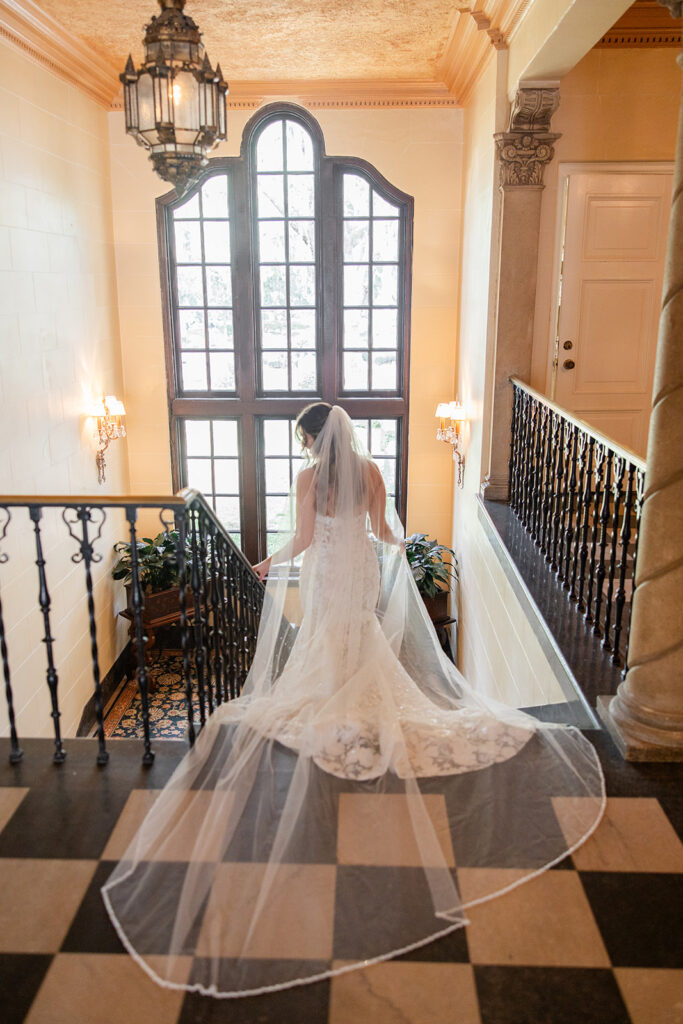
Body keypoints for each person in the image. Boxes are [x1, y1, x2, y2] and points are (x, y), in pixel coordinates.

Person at [102, 403, 605, 1000]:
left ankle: (338, 705)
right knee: (359, 634)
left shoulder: (310, 479)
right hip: (361, 569)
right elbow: (387, 534)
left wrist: (264, 562)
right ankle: (359, 703)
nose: (304, 447)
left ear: (315, 438)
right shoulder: (370, 469)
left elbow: (306, 540)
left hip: (328, 571)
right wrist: (410, 549)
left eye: (303, 439)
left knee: (327, 640)